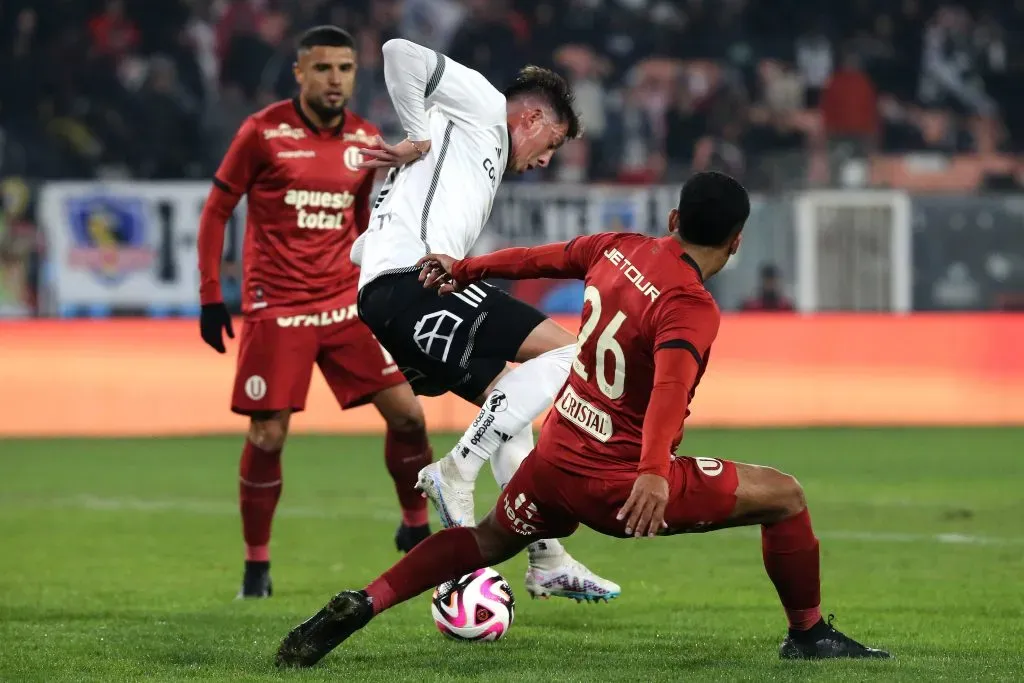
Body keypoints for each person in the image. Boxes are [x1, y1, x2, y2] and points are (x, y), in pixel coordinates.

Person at [275, 172, 890, 668]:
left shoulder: (618, 248)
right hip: (619, 485)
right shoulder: (690, 304)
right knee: (784, 496)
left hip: (555, 458)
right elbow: (671, 389)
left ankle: (367, 599)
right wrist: (652, 473)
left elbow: (538, 260)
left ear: (674, 220)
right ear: (736, 241)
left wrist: (465, 269)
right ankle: (807, 635)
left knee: (487, 539)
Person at [348, 38, 618, 601]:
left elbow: (362, 247)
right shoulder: (483, 104)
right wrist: (415, 132)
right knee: (575, 355)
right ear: (534, 116)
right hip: (414, 281)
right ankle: (455, 470)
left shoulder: (474, 156)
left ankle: (547, 557)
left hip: (393, 292)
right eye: (553, 143)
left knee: (509, 410)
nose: (547, 159)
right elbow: (400, 52)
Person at [196, 26, 434, 600]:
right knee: (270, 434)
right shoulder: (262, 132)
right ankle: (257, 569)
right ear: (299, 73)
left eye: (345, 69)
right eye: (323, 69)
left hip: (343, 302)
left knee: (409, 416)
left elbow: (360, 224)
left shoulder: (366, 139)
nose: (335, 79)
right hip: (276, 305)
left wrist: (381, 286)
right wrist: (210, 294)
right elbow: (216, 210)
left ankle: (417, 528)